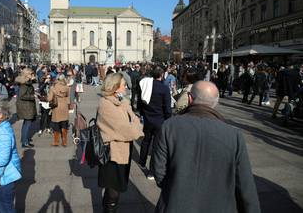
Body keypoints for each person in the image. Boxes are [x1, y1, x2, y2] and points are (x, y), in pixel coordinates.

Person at [152, 81, 260, 213]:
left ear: (190, 98)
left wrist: (175, 186)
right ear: (216, 103)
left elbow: (159, 172)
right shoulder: (234, 135)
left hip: (175, 204)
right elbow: (245, 186)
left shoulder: (168, 127)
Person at [97, 73, 144, 212]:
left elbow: (135, 119)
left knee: (115, 189)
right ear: (115, 87)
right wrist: (136, 126)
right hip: (112, 154)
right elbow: (130, 130)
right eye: (124, 85)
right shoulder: (106, 104)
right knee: (113, 193)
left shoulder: (121, 101)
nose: (126, 87)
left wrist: (133, 121)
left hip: (122, 151)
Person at [138, 67, 172, 180]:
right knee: (156, 146)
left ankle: (142, 161)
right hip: (159, 120)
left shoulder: (146, 86)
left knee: (146, 141)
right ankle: (151, 172)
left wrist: (142, 114)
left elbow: (140, 102)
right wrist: (168, 119)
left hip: (148, 118)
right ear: (161, 75)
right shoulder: (164, 89)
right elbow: (167, 108)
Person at [15, 68, 37, 148]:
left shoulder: (27, 83)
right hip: (26, 106)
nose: (33, 75)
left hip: (27, 106)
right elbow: (22, 95)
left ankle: (24, 139)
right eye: (31, 74)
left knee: (26, 124)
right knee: (27, 124)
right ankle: (25, 142)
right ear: (27, 75)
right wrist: (32, 96)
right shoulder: (24, 84)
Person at [48, 74, 70, 147]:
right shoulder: (66, 87)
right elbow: (68, 97)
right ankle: (65, 142)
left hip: (56, 107)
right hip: (64, 106)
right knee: (64, 124)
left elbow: (49, 99)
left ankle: (56, 142)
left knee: (56, 125)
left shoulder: (53, 87)